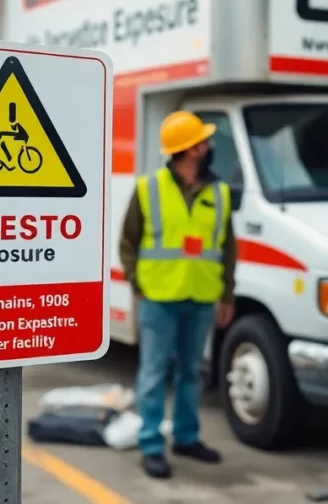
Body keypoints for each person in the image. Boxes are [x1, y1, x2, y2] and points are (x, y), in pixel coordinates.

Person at [119, 110, 237, 480]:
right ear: (189, 149)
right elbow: (128, 241)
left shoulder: (219, 191)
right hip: (159, 297)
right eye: (203, 141)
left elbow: (228, 248)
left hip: (201, 296)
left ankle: (186, 438)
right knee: (153, 374)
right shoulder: (149, 188)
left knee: (191, 373)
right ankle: (151, 445)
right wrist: (138, 284)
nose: (209, 145)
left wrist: (227, 294)